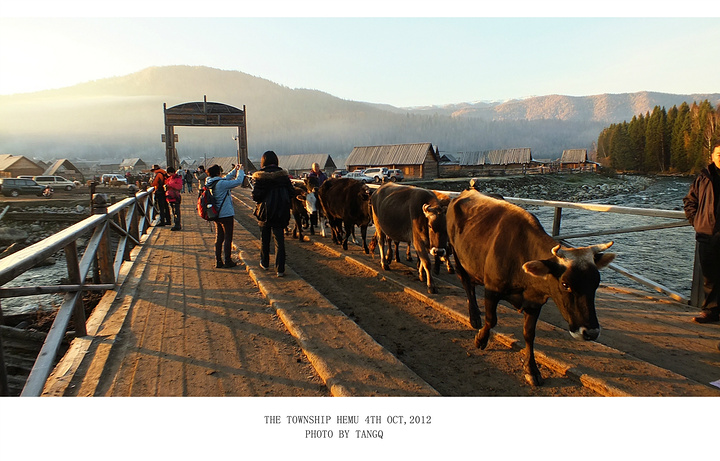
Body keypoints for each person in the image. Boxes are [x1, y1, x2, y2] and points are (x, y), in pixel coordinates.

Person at [683, 141, 720, 324]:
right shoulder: (703, 178)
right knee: (709, 276)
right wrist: (696, 222)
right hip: (707, 234)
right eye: (719, 154)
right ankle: (710, 311)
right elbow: (690, 201)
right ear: (712, 156)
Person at [251, 151, 294, 277]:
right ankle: (280, 269)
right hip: (281, 212)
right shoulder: (283, 176)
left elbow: (255, 196)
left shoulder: (260, 177)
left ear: (263, 161)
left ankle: (264, 263)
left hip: (264, 213)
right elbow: (291, 192)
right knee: (279, 241)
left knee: (264, 239)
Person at [205, 163, 246, 268]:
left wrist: (235, 170)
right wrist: (241, 171)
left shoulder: (210, 182)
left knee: (219, 238)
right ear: (219, 173)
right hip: (226, 214)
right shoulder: (221, 184)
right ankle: (228, 261)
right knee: (228, 238)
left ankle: (218, 261)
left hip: (216, 214)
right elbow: (238, 181)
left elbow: (226, 178)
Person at [165, 166, 183, 231]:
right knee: (173, 211)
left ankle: (177, 225)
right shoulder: (170, 179)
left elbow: (179, 186)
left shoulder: (177, 178)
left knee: (176, 211)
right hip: (170, 197)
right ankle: (176, 224)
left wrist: (170, 185)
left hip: (175, 197)